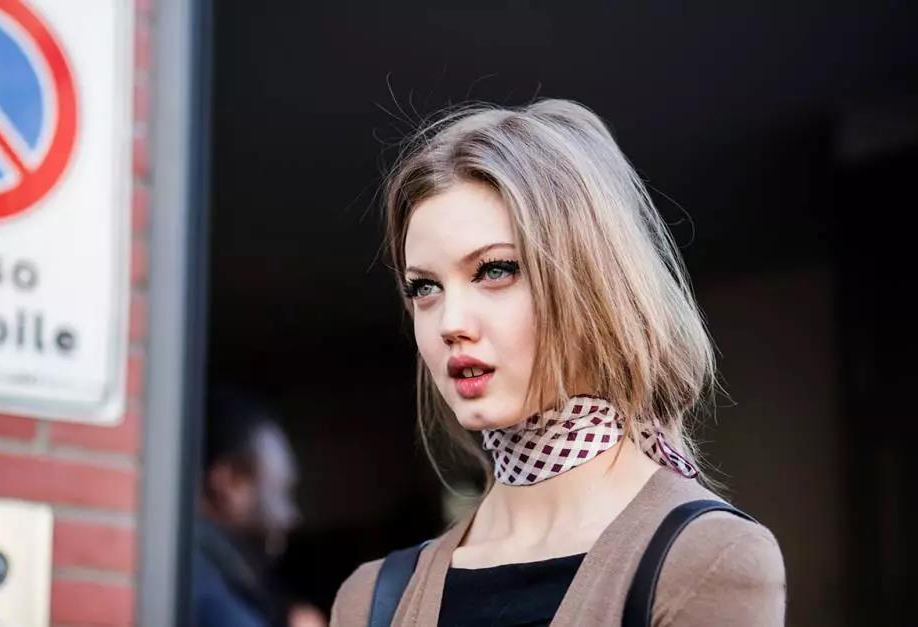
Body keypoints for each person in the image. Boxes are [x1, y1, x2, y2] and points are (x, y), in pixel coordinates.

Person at [331, 100, 786, 626]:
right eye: (424, 287)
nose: (450, 322)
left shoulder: (707, 561)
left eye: (495, 270)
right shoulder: (370, 600)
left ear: (594, 283)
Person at [193, 387, 325, 627]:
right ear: (230, 480)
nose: (291, 517)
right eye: (281, 493)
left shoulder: (229, 576)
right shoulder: (203, 589)